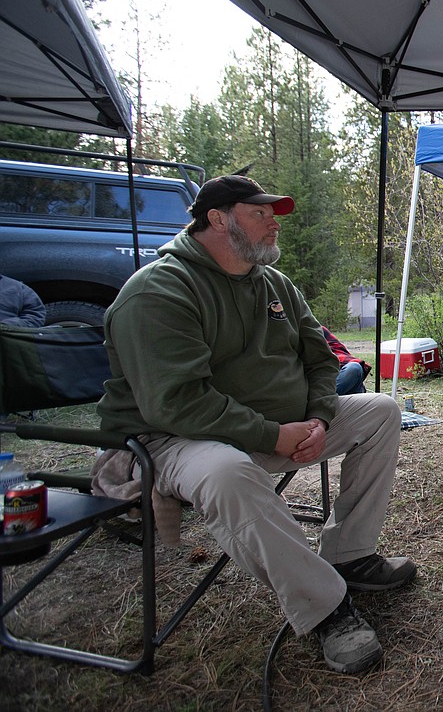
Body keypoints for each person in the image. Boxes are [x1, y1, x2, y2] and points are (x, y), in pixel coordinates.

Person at [97, 175, 416, 675]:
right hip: (177, 439)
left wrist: (317, 418)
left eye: (275, 213)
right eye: (259, 212)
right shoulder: (158, 291)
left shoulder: (275, 285)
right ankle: (327, 608)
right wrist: (274, 435)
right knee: (229, 473)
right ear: (218, 219)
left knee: (381, 412)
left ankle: (350, 555)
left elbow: (321, 360)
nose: (274, 223)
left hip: (281, 427)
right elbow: (175, 403)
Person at [323, 325, 371, 395]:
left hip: (339, 374)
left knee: (354, 368)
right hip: (319, 386)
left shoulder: (317, 330)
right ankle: (323, 401)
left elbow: (338, 350)